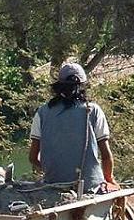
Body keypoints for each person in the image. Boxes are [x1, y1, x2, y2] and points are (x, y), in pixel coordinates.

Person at [28, 62, 118, 193]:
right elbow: (105, 154)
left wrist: (50, 171)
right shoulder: (93, 111)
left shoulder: (42, 112)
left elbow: (32, 157)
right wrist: (109, 179)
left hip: (52, 185)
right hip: (90, 186)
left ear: (59, 86)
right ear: (83, 86)